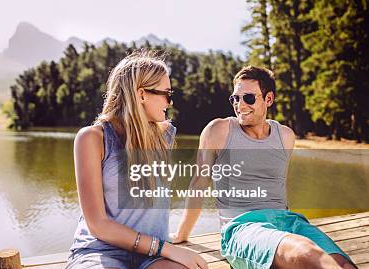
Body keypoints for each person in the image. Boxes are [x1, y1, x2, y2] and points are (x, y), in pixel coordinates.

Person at [170, 66, 356, 269]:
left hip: (289, 222)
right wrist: (182, 234)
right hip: (243, 228)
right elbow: (199, 182)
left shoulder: (285, 136)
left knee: (342, 263)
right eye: (235, 98)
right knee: (306, 253)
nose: (240, 105)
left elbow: (280, 185)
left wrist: (289, 229)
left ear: (268, 99)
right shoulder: (219, 130)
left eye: (248, 98)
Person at [65, 50, 208, 269]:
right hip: (100, 252)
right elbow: (98, 225)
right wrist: (167, 248)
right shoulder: (92, 139)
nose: (169, 102)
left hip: (152, 258)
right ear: (141, 94)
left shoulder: (165, 136)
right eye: (167, 94)